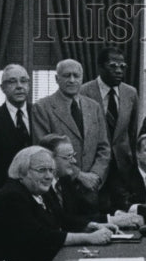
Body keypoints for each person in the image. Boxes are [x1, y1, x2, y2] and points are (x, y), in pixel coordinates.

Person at [0, 147, 113, 261]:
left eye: (51, 171)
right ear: (21, 172)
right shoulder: (12, 196)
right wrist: (88, 238)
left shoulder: (38, 191)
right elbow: (40, 236)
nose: (49, 176)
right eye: (42, 170)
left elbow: (63, 219)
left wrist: (92, 226)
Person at [31, 58, 111, 206]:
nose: (72, 80)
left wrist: (95, 176)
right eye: (66, 76)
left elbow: (104, 148)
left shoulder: (94, 107)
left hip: (92, 191)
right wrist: (79, 175)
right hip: (60, 191)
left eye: (76, 76)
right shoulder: (42, 107)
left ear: (82, 78)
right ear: (57, 78)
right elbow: (44, 151)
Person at [39, 134, 142, 232]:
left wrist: (117, 213)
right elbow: (64, 220)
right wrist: (111, 220)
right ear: (49, 159)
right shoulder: (42, 187)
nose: (74, 161)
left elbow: (87, 209)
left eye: (73, 155)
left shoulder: (64, 180)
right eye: (68, 157)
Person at [80, 45, 139, 198]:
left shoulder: (131, 93)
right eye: (113, 66)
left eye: (122, 66)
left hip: (122, 167)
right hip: (94, 166)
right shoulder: (84, 91)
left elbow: (132, 132)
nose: (119, 70)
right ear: (100, 67)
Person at [0, 63, 32, 200]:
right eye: (12, 81)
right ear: (2, 88)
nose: (19, 86)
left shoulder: (40, 114)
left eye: (24, 81)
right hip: (6, 194)